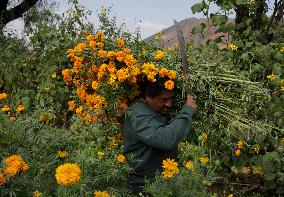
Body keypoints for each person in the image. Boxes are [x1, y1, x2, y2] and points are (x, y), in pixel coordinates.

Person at [123, 79, 197, 196]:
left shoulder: (154, 108)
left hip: (162, 181)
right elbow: (164, 139)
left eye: (171, 98)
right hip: (145, 186)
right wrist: (187, 110)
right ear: (147, 96)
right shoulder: (138, 114)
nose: (169, 104)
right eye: (163, 100)